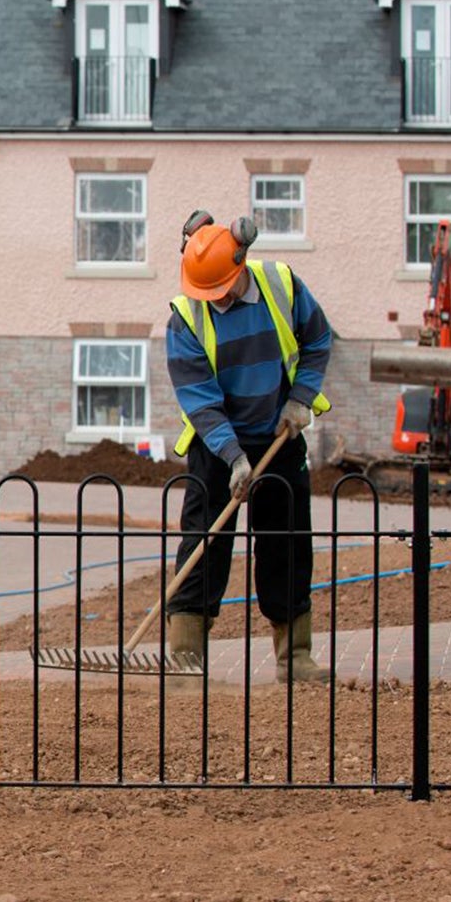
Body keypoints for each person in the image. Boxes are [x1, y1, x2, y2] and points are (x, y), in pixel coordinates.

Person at [163, 211, 334, 683]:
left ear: (240, 266)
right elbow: (200, 400)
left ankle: (295, 657)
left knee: (287, 545)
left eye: (221, 290)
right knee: (204, 545)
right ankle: (185, 659)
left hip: (279, 437)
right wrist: (234, 457)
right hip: (216, 448)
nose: (214, 300)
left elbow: (318, 338)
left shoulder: (281, 285)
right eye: (206, 294)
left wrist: (300, 400)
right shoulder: (185, 318)